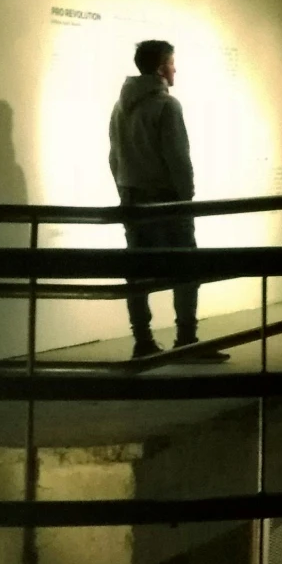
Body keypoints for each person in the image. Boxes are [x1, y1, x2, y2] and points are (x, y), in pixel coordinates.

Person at [109, 39, 227, 362]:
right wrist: (186, 198)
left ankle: (143, 340)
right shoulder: (167, 106)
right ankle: (187, 340)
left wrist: (125, 193)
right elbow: (178, 159)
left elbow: (114, 158)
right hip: (167, 202)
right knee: (186, 269)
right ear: (162, 68)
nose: (176, 69)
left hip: (132, 202)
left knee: (137, 273)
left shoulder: (121, 107)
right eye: (172, 62)